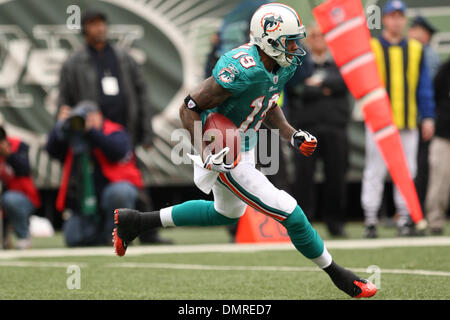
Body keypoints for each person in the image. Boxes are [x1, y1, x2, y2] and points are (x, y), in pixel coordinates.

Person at [113, 4, 377, 298]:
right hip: (222, 150)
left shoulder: (283, 64)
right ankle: (339, 276)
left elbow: (268, 103)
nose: (296, 48)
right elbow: (188, 107)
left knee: (227, 213)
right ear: (269, 40)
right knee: (289, 211)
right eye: (290, 41)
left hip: (244, 143)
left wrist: (292, 135)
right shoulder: (240, 69)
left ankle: (135, 222)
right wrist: (205, 152)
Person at [58, 10, 170, 244]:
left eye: (102, 23)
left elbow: (141, 93)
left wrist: (146, 131)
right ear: (84, 29)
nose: (99, 28)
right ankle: (99, 231)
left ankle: (149, 233)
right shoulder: (74, 62)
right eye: (93, 24)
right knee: (92, 185)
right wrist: (67, 126)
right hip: (90, 137)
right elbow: (64, 101)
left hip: (124, 133)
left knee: (135, 184)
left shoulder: (122, 56)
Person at [362, 0, 435, 238]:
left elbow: (423, 86)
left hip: (406, 121)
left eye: (400, 16)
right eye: (392, 16)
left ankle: (404, 218)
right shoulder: (372, 47)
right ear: (385, 20)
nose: (396, 20)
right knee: (375, 169)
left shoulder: (415, 49)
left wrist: (428, 117)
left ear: (404, 19)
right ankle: (370, 219)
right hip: (378, 122)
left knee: (407, 170)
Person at [46, 102, 143, 247]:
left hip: (111, 192)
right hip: (85, 197)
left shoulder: (115, 130)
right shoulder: (75, 137)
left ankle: (120, 235)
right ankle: (102, 235)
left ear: (98, 115)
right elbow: (51, 150)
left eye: (89, 117)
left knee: (120, 193)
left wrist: (91, 131)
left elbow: (117, 152)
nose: (85, 122)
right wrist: (60, 125)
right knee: (73, 239)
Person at [289, 24, 350, 237]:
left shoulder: (338, 62)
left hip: (335, 127)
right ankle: (304, 223)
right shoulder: (299, 64)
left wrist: (319, 84)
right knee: (303, 177)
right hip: (307, 128)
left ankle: (335, 222)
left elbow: (344, 82)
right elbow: (297, 89)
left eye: (321, 35)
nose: (317, 39)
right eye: (313, 36)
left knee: (336, 176)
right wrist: (323, 89)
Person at [408, 16, 440, 213]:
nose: (411, 33)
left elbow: (427, 91)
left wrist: (427, 117)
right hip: (417, 119)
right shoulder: (419, 53)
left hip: (420, 120)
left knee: (419, 168)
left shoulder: (426, 55)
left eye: (416, 29)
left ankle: (415, 210)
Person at [0, 126, 41, 249]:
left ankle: (24, 236)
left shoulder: (18, 145)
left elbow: (25, 168)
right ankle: (4, 239)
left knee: (10, 199)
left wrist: (8, 155)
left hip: (24, 197)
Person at [425, 58, 450, 235]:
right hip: (444, 134)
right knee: (439, 179)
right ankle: (435, 221)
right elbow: (431, 97)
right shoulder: (445, 69)